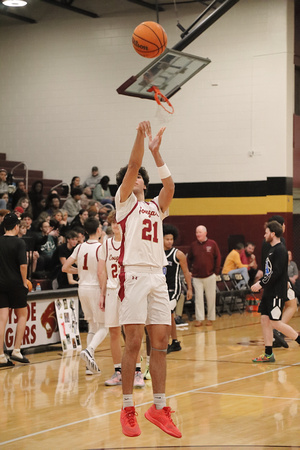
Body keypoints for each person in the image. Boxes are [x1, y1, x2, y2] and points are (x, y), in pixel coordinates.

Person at [115, 121, 181, 438]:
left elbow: (170, 188)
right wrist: (140, 137)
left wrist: (157, 151)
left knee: (160, 343)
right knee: (134, 343)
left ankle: (158, 407)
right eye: (137, 177)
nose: (140, 177)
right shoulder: (124, 202)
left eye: (143, 177)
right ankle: (128, 408)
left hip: (157, 276)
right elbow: (132, 164)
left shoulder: (156, 206)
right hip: (134, 274)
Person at [98, 211, 145, 387]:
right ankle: (118, 372)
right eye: (113, 223)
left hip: (129, 290)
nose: (116, 225)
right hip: (111, 291)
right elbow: (102, 271)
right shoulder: (106, 243)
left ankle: (137, 372)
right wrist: (102, 294)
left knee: (132, 332)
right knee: (114, 332)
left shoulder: (131, 242)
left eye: (119, 222)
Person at [62, 217, 108, 375]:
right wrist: (104, 291)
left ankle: (90, 365)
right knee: (104, 326)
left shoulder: (80, 247)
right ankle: (89, 350)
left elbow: (65, 267)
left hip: (82, 288)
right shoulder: (101, 248)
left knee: (92, 326)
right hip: (95, 288)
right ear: (98, 230)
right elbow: (103, 272)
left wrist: (80, 272)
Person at [251, 221, 300, 362]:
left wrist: (260, 283)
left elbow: (277, 273)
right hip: (269, 291)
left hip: (276, 292)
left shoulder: (280, 250)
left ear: (273, 233)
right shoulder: (271, 249)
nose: (264, 234)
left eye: (266, 232)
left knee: (276, 323)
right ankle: (268, 354)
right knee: (264, 319)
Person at [0, 213, 30, 367]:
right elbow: (23, 266)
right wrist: (24, 282)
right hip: (16, 283)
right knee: (22, 315)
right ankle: (16, 350)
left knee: (1, 319)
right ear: (16, 226)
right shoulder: (19, 243)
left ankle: (0, 355)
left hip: (1, 283)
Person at [163, 224, 193, 353]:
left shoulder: (178, 254)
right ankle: (175, 342)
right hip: (161, 289)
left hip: (174, 289)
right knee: (169, 316)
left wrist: (190, 289)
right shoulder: (157, 253)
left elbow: (186, 272)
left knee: (167, 314)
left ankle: (166, 342)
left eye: (171, 239)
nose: (170, 241)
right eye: (167, 239)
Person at [187, 225, 221, 327]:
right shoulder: (193, 245)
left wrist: (216, 272)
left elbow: (218, 257)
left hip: (210, 276)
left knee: (211, 298)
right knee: (198, 299)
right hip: (197, 277)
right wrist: (189, 271)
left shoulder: (212, 244)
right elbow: (189, 259)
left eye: (200, 232)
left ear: (205, 233)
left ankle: (210, 318)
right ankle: (199, 319)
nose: (198, 234)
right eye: (196, 232)